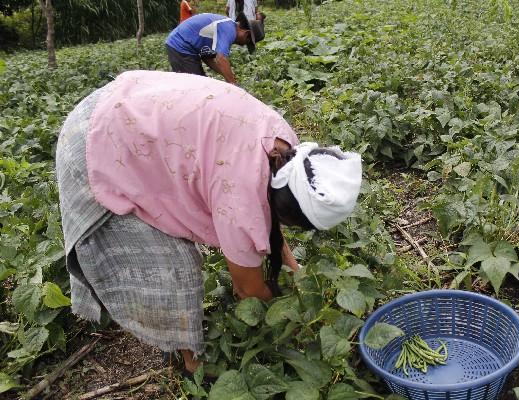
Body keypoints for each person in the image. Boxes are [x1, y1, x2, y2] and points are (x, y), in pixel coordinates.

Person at [55, 70, 362, 377]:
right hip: (99, 144)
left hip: (128, 107)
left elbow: (271, 223)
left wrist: (297, 275)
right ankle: (192, 364)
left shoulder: (287, 153)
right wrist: (295, 323)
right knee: (172, 267)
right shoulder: (242, 198)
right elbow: (248, 289)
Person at [165, 13, 264, 85]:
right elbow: (221, 59)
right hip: (180, 45)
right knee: (195, 87)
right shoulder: (229, 29)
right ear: (246, 33)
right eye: (247, 43)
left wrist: (227, 75)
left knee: (202, 83)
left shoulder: (225, 27)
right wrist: (234, 86)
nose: (243, 45)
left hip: (185, 46)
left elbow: (207, 58)